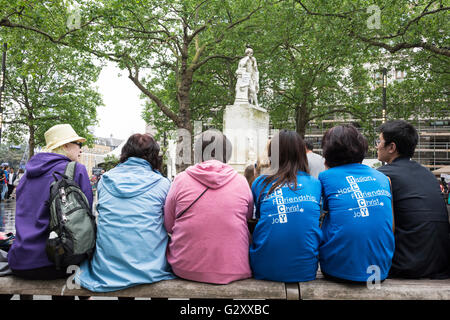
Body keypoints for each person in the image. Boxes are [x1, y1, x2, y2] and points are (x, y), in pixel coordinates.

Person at [76, 133, 175, 292]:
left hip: (107, 269)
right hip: (151, 268)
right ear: (154, 156)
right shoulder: (163, 184)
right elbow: (169, 225)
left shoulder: (105, 180)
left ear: (125, 153)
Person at [164, 130, 253, 284]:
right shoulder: (241, 182)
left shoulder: (180, 180)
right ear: (228, 154)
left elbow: (169, 225)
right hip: (234, 267)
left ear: (197, 153)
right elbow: (246, 219)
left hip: (185, 266)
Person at [7, 124, 93, 282]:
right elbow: (85, 221)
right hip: (56, 262)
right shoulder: (76, 170)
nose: (81, 150)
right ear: (65, 146)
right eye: (78, 144)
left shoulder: (27, 174)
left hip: (20, 261)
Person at [319, 124, 395, 283]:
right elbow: (391, 227)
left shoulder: (325, 177)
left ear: (328, 152)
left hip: (337, 270)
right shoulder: (382, 178)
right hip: (380, 271)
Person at [377, 120, 450, 279]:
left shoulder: (382, 176)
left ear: (392, 147)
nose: (377, 146)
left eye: (379, 141)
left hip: (408, 264)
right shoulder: (428, 174)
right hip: (441, 263)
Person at [250, 130, 322, 282]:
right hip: (305, 270)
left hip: (264, 267)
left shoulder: (260, 183)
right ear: (301, 154)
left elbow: (258, 217)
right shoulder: (315, 184)